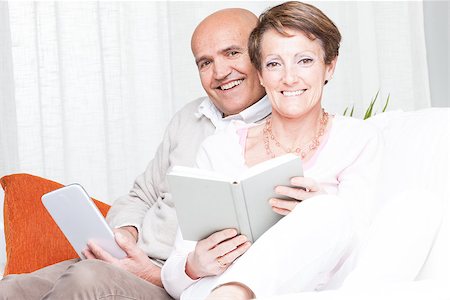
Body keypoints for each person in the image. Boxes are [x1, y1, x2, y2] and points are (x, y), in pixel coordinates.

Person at [0, 8, 269, 299]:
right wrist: (126, 234)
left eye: (231, 53)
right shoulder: (191, 117)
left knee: (87, 278)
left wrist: (156, 273)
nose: (219, 73)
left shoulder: (281, 131)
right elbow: (141, 195)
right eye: (205, 62)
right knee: (12, 288)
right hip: (127, 261)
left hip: (180, 281)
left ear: (261, 53)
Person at [161, 1, 383, 299]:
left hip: (307, 289)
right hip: (208, 290)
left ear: (329, 66)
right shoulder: (219, 148)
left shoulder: (358, 139)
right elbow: (174, 279)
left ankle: (234, 293)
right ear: (261, 74)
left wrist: (315, 215)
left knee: (332, 208)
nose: (289, 78)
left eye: (304, 61)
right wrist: (194, 266)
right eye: (274, 63)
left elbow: (362, 254)